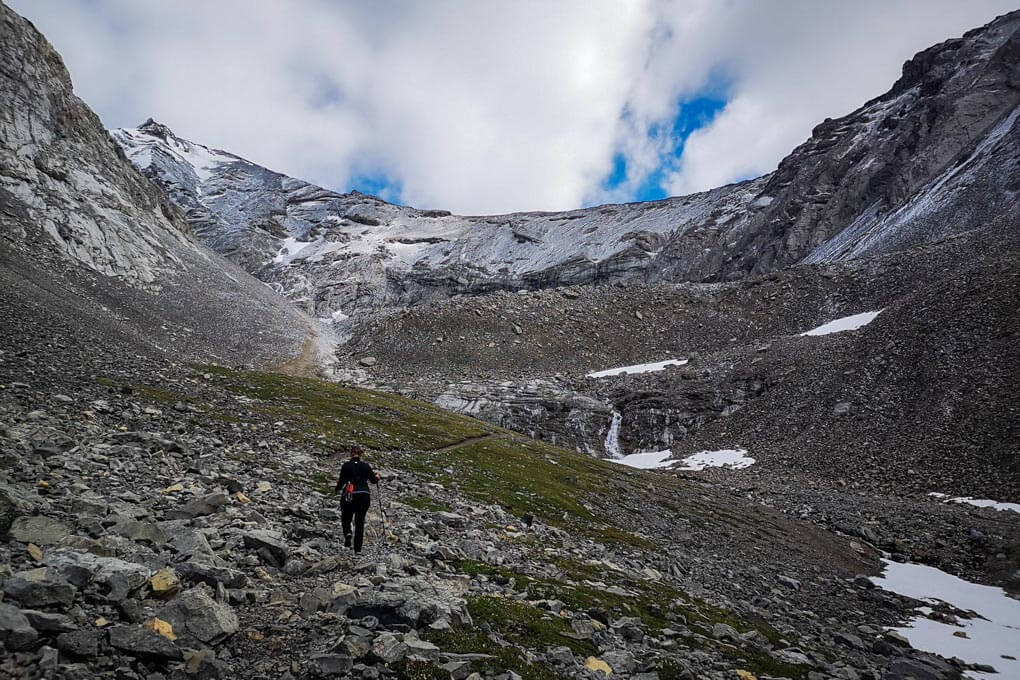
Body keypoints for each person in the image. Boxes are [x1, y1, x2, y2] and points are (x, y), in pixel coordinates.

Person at [333, 446, 380, 554]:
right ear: (360, 454)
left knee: (346, 517)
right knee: (359, 522)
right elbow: (373, 481)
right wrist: (377, 477)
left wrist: (337, 489)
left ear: (351, 454)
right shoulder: (366, 466)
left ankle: (348, 533)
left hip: (349, 494)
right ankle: (357, 550)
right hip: (364, 495)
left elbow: (341, 482)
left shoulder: (346, 466)